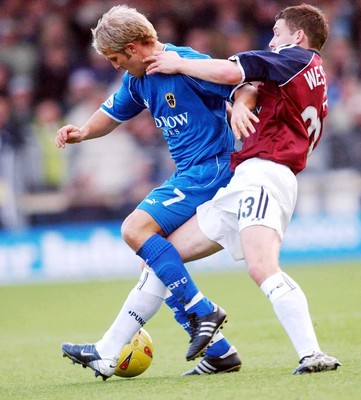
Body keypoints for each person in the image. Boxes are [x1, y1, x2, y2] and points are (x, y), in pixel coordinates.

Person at [56, 4, 254, 380]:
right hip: (192, 174)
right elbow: (111, 114)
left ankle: (201, 310)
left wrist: (240, 108)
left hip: (212, 169)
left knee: (134, 229)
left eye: (116, 59)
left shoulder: (184, 63)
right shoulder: (138, 79)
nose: (115, 66)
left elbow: (242, 83)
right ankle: (219, 352)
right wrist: (82, 131)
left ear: (134, 47)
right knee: (159, 263)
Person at [144, 3, 341, 375]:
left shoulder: (295, 57)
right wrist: (239, 103)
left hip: (266, 174)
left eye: (277, 32)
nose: (272, 40)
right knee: (161, 254)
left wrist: (178, 63)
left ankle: (312, 353)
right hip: (249, 177)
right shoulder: (308, 72)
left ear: (297, 36)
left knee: (262, 266)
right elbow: (249, 87)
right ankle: (212, 353)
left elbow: (232, 72)